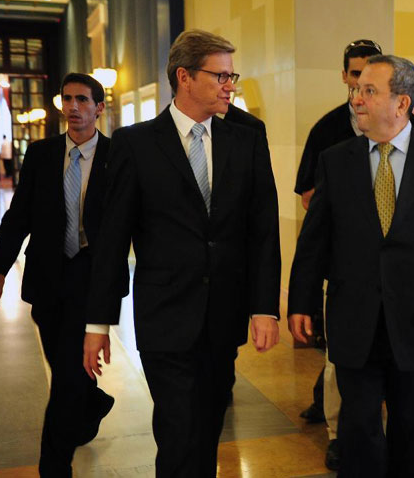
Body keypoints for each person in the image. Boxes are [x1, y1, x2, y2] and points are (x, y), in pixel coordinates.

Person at [82, 29, 281, 477]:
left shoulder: (247, 139)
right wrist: (98, 322)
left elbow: (263, 231)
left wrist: (264, 307)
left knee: (208, 427)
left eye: (233, 76)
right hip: (164, 315)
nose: (231, 85)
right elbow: (113, 240)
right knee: (176, 429)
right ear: (185, 76)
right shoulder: (136, 144)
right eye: (221, 76)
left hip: (222, 314)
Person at [288, 55, 414, 477]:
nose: (357, 99)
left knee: (412, 430)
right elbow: (314, 242)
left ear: (401, 103)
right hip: (354, 321)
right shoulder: (336, 160)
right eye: (356, 90)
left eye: (368, 91)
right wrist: (301, 302)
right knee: (359, 429)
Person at [0, 73, 128, 477]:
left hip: (92, 277)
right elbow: (19, 215)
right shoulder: (42, 154)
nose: (73, 107)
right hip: (48, 278)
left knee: (65, 379)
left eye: (83, 99)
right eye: (67, 99)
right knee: (65, 365)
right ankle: (92, 401)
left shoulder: (119, 157)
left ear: (99, 108)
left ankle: (54, 466)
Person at [294, 38, 383, 470]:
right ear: (344, 76)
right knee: (339, 358)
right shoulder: (328, 128)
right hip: (346, 266)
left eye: (369, 76)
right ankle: (336, 432)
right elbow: (310, 195)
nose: (360, 86)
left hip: (395, 273)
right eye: (354, 75)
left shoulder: (409, 126)